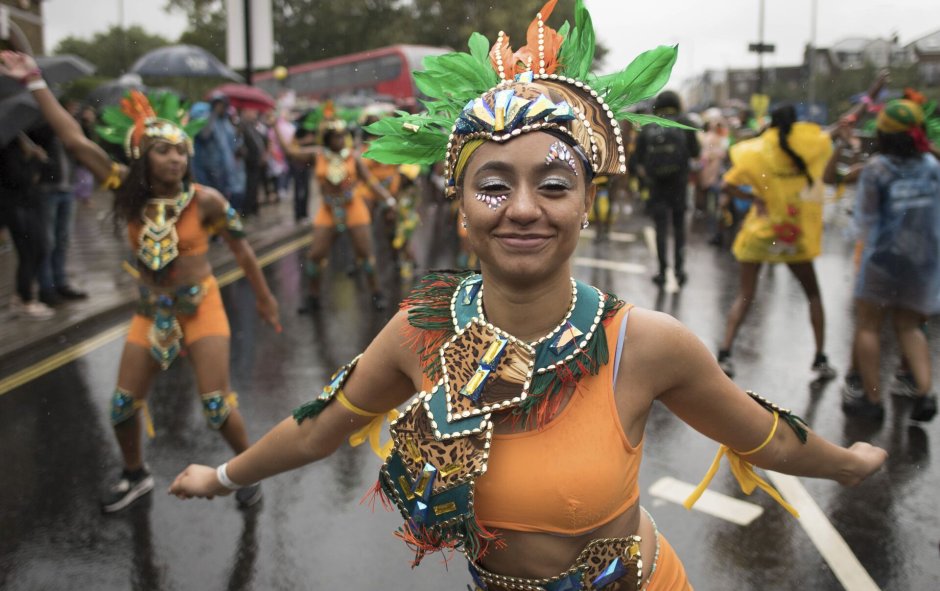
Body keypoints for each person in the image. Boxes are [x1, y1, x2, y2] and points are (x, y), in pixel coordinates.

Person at [166, 3, 886, 589]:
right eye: (493, 185)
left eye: (551, 184)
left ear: (583, 206)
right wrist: (223, 474)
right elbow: (319, 424)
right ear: (461, 211)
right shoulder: (421, 332)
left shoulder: (645, 342)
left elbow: (755, 427)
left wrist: (844, 462)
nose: (522, 207)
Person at [0, 51, 282, 512]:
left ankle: (245, 469)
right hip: (151, 312)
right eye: (163, 150)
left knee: (215, 405)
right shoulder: (123, 190)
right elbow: (72, 139)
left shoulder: (206, 201)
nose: (174, 158)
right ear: (143, 157)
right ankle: (135, 474)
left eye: (179, 150)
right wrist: (34, 80)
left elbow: (243, 250)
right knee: (122, 406)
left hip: (202, 306)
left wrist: (265, 299)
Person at [716, 105, 838, 380]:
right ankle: (820, 358)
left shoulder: (757, 151)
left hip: (760, 235)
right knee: (813, 294)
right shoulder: (809, 146)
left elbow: (726, 185)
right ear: (796, 124)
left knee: (745, 295)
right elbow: (836, 131)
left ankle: (725, 354)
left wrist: (754, 199)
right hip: (794, 235)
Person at [841, 99, 939, 422]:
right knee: (910, 326)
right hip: (923, 260)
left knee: (868, 325)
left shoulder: (877, 168)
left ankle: (873, 401)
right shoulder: (931, 165)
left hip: (883, 259)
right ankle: (925, 395)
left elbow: (865, 220)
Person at [276, 111, 395, 312]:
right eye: (335, 136)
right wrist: (275, 126)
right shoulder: (318, 155)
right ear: (327, 138)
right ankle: (313, 298)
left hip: (353, 207)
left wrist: (388, 199)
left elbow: (370, 182)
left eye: (342, 135)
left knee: (366, 255)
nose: (340, 140)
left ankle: (376, 294)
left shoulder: (353, 157)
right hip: (328, 209)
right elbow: (290, 152)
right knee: (315, 256)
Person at [634, 90, 700, 287]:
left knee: (660, 228)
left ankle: (662, 272)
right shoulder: (686, 122)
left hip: (657, 186)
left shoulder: (649, 126)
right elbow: (695, 152)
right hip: (679, 184)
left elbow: (638, 157)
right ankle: (679, 270)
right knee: (679, 228)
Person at [32, 122, 88, 305]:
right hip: (47, 189)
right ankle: (47, 288)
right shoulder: (38, 126)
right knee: (46, 241)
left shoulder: (68, 126)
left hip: (68, 188)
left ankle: (61, 282)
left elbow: (83, 145)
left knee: (63, 239)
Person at [0, 131, 53, 319]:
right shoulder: (7, 149)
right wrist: (33, 159)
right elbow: (19, 179)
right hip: (16, 209)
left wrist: (38, 157)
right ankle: (26, 300)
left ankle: (20, 295)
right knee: (30, 252)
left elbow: (45, 174)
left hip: (29, 205)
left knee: (39, 250)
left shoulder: (20, 143)